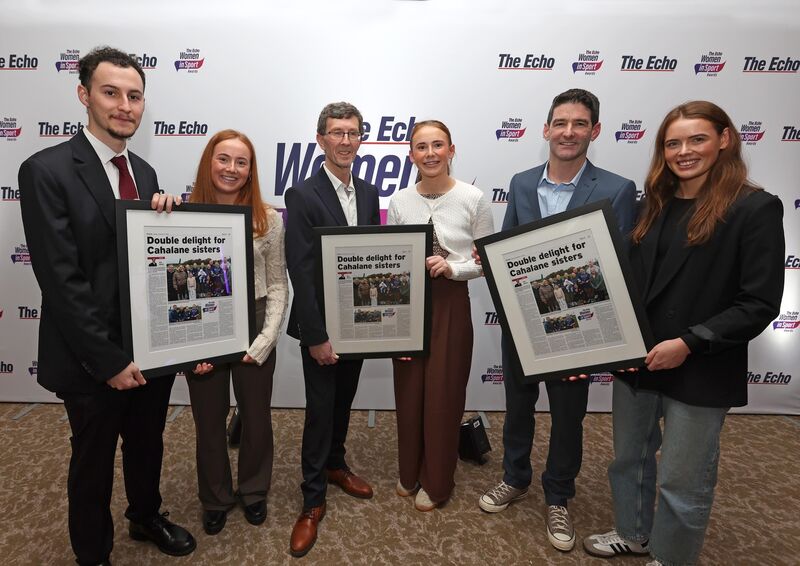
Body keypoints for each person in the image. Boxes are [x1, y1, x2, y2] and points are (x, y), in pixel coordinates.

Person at [583, 101, 785, 565]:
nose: (683, 151)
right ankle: (633, 533)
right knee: (628, 458)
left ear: (724, 140)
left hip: (701, 364)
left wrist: (690, 342)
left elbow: (759, 304)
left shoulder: (755, 209)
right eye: (673, 143)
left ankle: (671, 558)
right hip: (638, 359)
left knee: (682, 479)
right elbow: (625, 278)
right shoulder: (651, 203)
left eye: (697, 139)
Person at [17, 46, 196, 565]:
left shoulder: (143, 171)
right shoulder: (45, 170)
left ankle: (144, 516)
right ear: (84, 95)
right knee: (91, 461)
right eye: (110, 92)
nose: (125, 105)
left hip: (151, 347)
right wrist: (109, 360)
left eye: (134, 95)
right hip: (90, 357)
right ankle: (92, 552)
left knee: (147, 444)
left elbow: (151, 261)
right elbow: (61, 278)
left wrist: (169, 220)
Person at [478, 89, 637, 552]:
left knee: (569, 416)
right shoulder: (522, 183)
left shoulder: (617, 188)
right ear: (546, 129)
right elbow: (507, 249)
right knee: (518, 405)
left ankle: (559, 495)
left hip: (580, 328)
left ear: (595, 131)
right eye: (561, 123)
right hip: (524, 323)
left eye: (580, 124)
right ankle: (514, 476)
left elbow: (619, 264)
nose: (569, 132)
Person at [284, 102, 381, 558]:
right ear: (320, 138)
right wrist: (315, 335)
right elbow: (300, 271)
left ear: (361, 139)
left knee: (344, 401)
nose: (346, 140)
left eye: (353, 133)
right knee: (320, 409)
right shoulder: (302, 194)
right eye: (336, 132)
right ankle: (311, 500)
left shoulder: (369, 191)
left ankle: (337, 465)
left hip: (357, 322)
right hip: (321, 325)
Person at [387, 120, 494, 511]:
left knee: (444, 395)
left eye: (437, 145)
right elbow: (392, 258)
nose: (430, 153)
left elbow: (486, 262)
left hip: (451, 301)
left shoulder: (475, 198)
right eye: (421, 146)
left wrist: (454, 269)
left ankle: (437, 481)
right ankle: (409, 472)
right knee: (410, 389)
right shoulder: (399, 201)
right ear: (411, 154)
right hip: (408, 303)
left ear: (451, 150)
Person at [186, 130, 288, 535]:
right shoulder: (182, 214)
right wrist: (190, 346)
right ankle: (215, 498)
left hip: (255, 321)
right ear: (209, 163)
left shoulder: (269, 217)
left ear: (250, 170)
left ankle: (254, 491)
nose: (231, 169)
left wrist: (265, 339)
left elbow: (279, 283)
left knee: (257, 417)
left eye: (241, 162)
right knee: (208, 421)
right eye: (223, 159)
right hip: (202, 322)